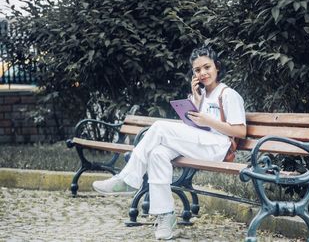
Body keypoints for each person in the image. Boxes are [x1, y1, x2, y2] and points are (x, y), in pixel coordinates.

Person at [92, 45, 247, 240]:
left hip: (218, 148)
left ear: (217, 66)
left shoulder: (228, 94)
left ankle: (128, 179)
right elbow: (199, 127)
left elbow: (240, 131)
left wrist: (207, 120)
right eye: (197, 70)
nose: (203, 73)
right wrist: (197, 100)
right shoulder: (205, 95)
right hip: (202, 144)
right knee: (158, 154)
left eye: (207, 67)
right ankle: (166, 216)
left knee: (159, 126)